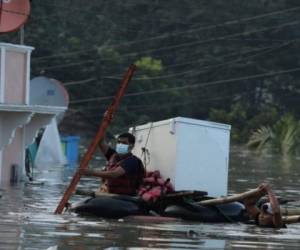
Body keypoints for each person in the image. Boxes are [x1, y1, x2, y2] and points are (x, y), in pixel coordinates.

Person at [79, 132, 145, 196]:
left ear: (131, 146)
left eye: (124, 143)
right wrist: (99, 134)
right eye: (119, 142)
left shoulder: (132, 161)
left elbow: (114, 174)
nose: (120, 145)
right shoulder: (114, 156)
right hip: (111, 195)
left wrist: (91, 172)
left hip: (126, 197)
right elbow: (101, 142)